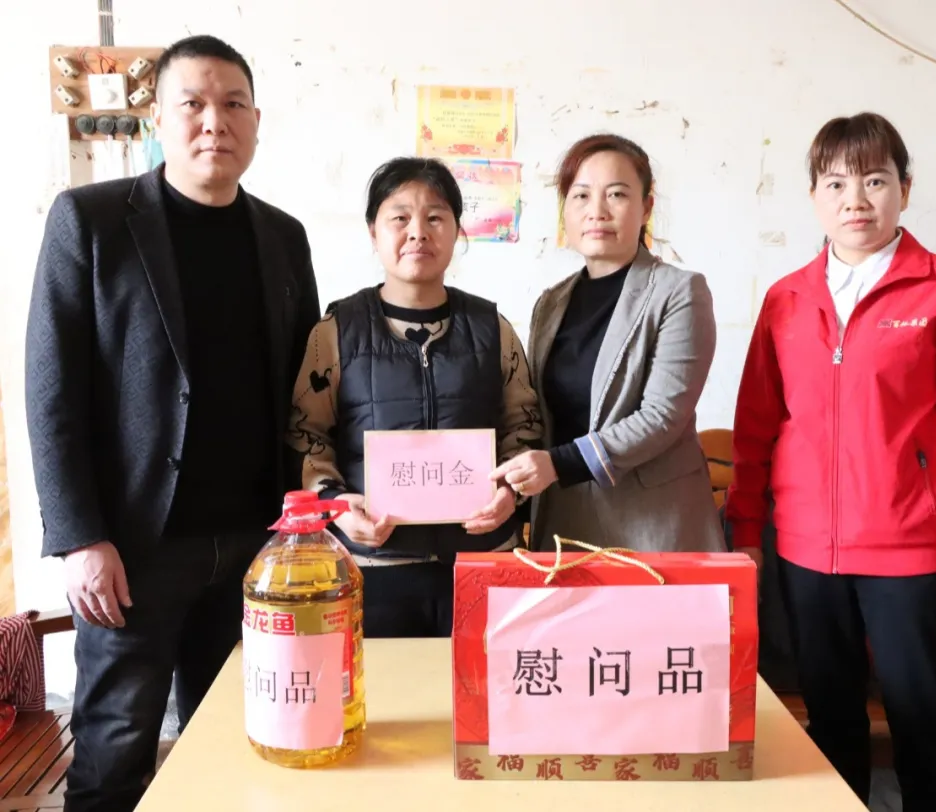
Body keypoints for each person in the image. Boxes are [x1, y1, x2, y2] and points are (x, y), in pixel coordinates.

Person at [24, 35, 320, 812]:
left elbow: (307, 393)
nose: (213, 121)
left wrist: (311, 521)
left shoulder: (283, 237)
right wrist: (81, 538)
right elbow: (52, 393)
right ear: (158, 118)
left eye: (232, 104)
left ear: (256, 121)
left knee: (236, 746)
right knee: (114, 752)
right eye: (192, 103)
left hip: (258, 546)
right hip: (134, 549)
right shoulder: (91, 221)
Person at [726, 111, 936, 809]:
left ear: (905, 189)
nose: (855, 200)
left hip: (910, 553)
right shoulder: (786, 298)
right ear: (814, 197)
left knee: (923, 725)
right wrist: (747, 535)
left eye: (875, 181)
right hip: (804, 554)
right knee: (830, 727)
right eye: (835, 184)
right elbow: (755, 429)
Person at [286, 156, 542, 637]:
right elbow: (307, 434)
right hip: (373, 565)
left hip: (482, 561)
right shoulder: (337, 331)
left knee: (481, 684)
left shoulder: (493, 328)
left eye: (435, 217)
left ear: (457, 230)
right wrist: (336, 506)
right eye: (400, 217)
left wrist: (510, 493)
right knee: (384, 684)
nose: (418, 232)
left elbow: (524, 427)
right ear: (373, 231)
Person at [491, 133, 724, 553]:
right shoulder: (551, 303)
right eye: (581, 196)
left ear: (646, 207)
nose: (596, 211)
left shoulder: (679, 292)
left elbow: (662, 417)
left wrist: (558, 464)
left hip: (653, 524)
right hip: (564, 520)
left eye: (616, 194)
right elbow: (538, 414)